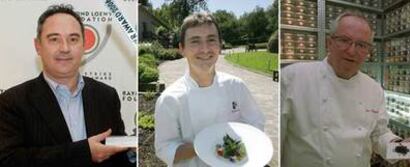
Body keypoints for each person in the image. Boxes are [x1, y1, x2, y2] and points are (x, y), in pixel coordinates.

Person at [0, 4, 135, 167]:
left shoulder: (106, 95)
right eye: (54, 39)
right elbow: (9, 160)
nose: (64, 48)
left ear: (84, 45)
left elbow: (118, 157)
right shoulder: (12, 102)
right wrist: (84, 152)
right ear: (38, 46)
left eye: (73, 39)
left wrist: (131, 149)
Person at [281, 11, 404, 167]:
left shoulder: (373, 89)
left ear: (368, 51)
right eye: (344, 40)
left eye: (361, 45)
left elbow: (379, 135)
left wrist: (406, 150)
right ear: (329, 42)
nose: (352, 51)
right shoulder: (293, 78)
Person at [154, 12, 265, 166]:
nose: (205, 49)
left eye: (211, 40)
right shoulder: (170, 99)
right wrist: (206, 146)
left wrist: (236, 145)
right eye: (195, 41)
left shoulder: (236, 86)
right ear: (182, 49)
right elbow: (164, 148)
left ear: (220, 45)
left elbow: (256, 123)